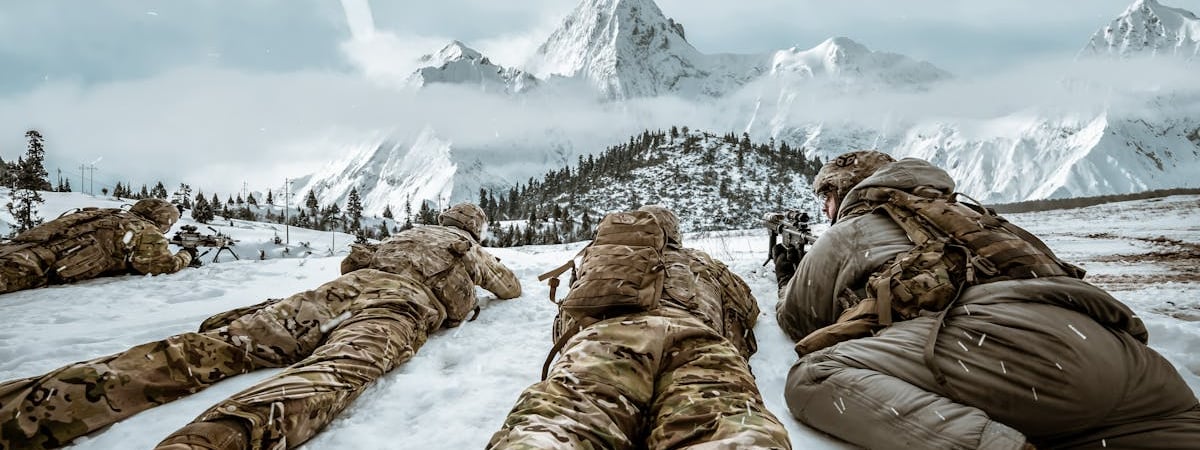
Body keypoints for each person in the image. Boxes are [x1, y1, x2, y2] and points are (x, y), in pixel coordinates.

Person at [0, 202, 521, 450]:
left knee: (216, 347)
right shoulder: (468, 248)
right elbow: (509, 288)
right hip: (398, 309)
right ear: (473, 229)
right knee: (332, 374)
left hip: (331, 295)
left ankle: (32, 407)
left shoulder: (404, 234)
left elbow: (351, 262)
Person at [775, 150, 1200, 449]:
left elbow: (799, 318)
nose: (826, 209)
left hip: (1012, 350)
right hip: (1122, 356)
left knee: (814, 375)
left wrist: (787, 270)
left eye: (827, 197)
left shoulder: (854, 227)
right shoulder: (976, 217)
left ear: (848, 189)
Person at [489, 205, 791, 450]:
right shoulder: (701, 262)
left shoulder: (606, 261)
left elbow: (567, 322)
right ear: (675, 236)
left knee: (560, 423)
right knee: (727, 425)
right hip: (697, 342)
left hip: (605, 341)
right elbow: (749, 310)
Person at [0, 198, 193, 295]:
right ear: (162, 219)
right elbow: (160, 266)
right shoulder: (145, 229)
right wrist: (186, 255)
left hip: (17, 250)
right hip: (34, 266)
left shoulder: (110, 215)